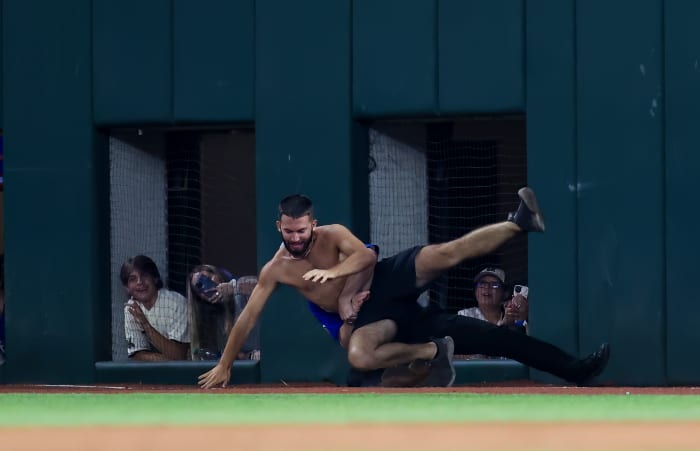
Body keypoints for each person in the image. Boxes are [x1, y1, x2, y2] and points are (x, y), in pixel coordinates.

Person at [198, 187, 551, 388]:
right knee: (356, 354)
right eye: (288, 232)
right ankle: (429, 353)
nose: (295, 238)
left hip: (375, 286)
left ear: (313, 225)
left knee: (448, 252)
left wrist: (335, 275)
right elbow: (248, 318)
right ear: (279, 227)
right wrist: (226, 364)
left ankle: (518, 223)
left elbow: (367, 257)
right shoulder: (276, 269)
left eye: (301, 231)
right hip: (350, 319)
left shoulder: (332, 234)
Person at [121, 255, 190, 361]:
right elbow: (137, 355)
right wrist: (165, 359)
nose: (140, 282)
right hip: (156, 372)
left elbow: (179, 356)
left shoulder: (176, 302)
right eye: (133, 279)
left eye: (144, 276)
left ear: (155, 279)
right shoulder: (131, 308)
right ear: (127, 288)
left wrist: (145, 324)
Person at [188, 264, 260, 361]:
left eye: (209, 277)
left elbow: (265, 286)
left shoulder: (241, 289)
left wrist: (234, 288)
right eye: (200, 286)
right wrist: (250, 356)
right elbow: (235, 355)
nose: (208, 286)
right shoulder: (215, 322)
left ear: (217, 274)